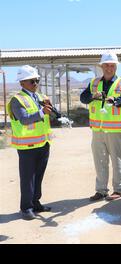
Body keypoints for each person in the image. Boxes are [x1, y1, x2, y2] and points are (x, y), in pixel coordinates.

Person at [80, 52, 121, 201]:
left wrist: (114, 100)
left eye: (112, 65)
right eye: (107, 65)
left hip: (116, 130)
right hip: (98, 130)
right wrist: (93, 96)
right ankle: (101, 190)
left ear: (116, 67)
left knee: (117, 160)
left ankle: (119, 189)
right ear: (101, 66)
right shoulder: (94, 83)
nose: (109, 68)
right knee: (100, 160)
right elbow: (83, 98)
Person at [7, 65, 53, 220]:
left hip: (43, 143)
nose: (35, 83)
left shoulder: (39, 97)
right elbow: (24, 119)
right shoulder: (17, 100)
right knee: (28, 178)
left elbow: (46, 117)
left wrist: (50, 110)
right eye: (31, 81)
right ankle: (26, 208)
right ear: (22, 83)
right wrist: (41, 112)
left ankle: (35, 202)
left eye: (37, 80)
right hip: (27, 147)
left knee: (38, 176)